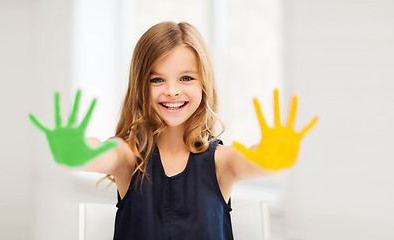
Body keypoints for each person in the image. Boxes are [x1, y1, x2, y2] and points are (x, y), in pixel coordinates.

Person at [28, 21, 318, 240]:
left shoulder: (222, 162)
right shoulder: (128, 157)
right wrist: (75, 153)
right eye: (157, 80)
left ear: (204, 84)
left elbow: (251, 162)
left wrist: (271, 158)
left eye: (186, 78)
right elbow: (97, 154)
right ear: (141, 85)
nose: (171, 91)